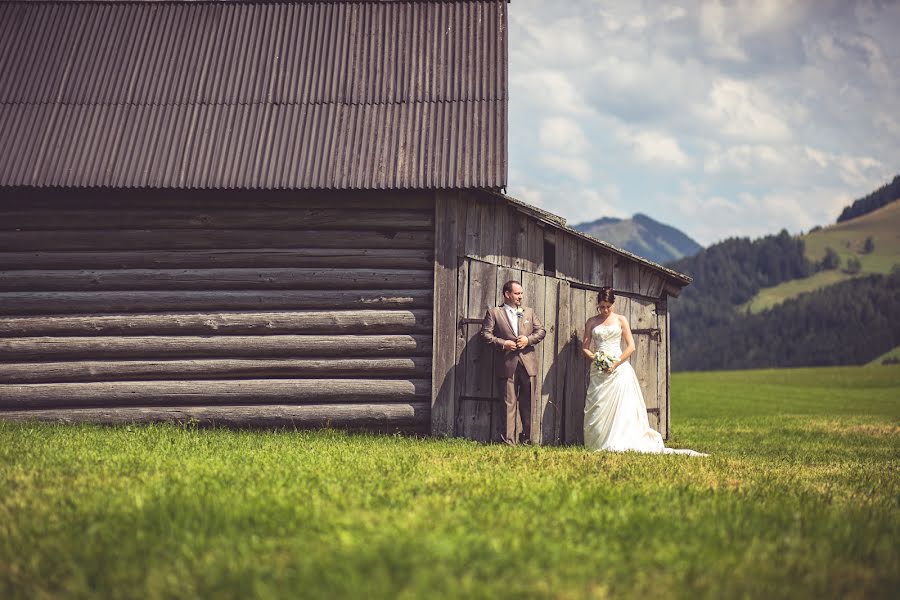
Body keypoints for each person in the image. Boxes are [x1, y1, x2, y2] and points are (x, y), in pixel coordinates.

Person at [582, 286, 707, 456]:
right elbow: (585, 348)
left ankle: (617, 441)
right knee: (598, 405)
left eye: (607, 306)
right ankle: (597, 441)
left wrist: (615, 364)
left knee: (620, 409)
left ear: (614, 304)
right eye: (601, 306)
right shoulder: (591, 322)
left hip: (618, 370)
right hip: (599, 369)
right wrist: (597, 359)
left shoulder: (620, 320)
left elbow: (631, 346)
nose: (604, 310)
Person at [481, 280, 546, 445]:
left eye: (521, 293)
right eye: (517, 293)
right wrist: (503, 344)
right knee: (508, 403)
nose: (520, 297)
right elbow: (485, 335)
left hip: (528, 364)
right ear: (507, 294)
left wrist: (528, 339)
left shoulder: (529, 312)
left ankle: (527, 440)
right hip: (507, 364)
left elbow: (541, 331)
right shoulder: (494, 313)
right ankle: (508, 442)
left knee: (528, 403)